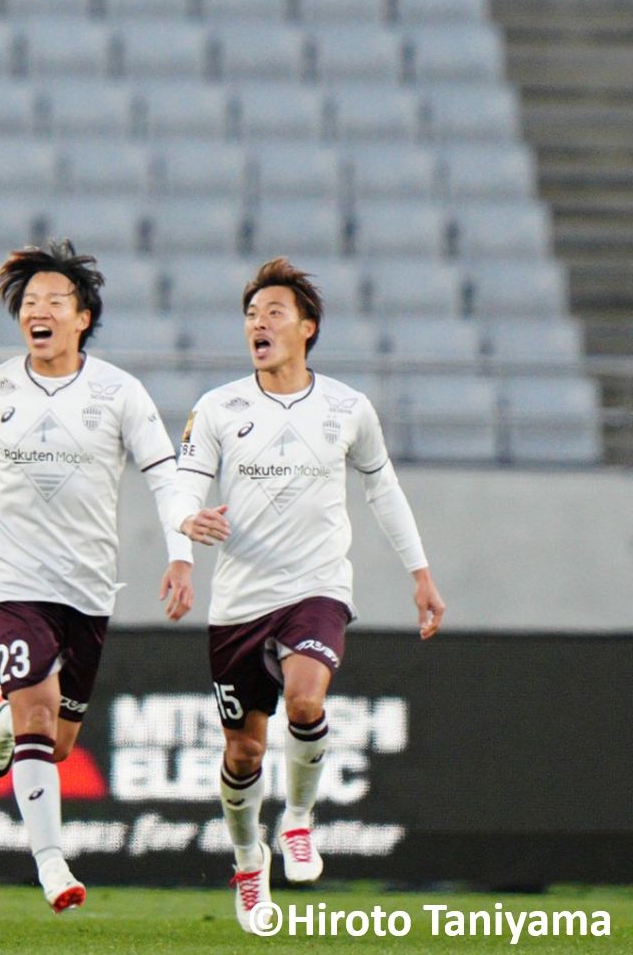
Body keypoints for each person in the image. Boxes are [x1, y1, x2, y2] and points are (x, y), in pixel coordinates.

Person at [0, 241, 196, 914]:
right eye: (30, 303)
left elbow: (164, 474)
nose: (40, 311)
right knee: (38, 713)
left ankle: (2, 710)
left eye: (56, 301)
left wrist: (181, 553)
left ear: (83, 317)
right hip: (15, 578)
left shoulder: (118, 393)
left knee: (57, 741)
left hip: (88, 587)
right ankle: (52, 863)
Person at [163, 257, 444, 934]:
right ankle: (247, 862)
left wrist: (421, 573)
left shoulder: (348, 408)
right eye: (251, 316)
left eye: (273, 313)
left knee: (307, 700)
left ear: (306, 327)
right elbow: (183, 481)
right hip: (238, 602)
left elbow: (382, 488)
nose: (258, 323)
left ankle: (299, 819)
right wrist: (184, 524)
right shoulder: (219, 408)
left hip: (316, 587)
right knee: (244, 755)